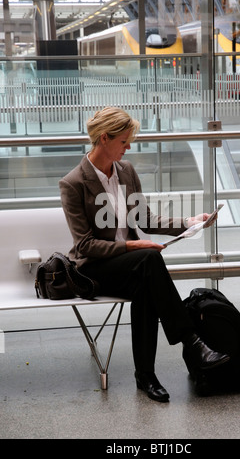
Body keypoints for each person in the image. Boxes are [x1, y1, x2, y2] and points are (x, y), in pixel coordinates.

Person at [59, 106, 229, 403]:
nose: (129, 147)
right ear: (103, 139)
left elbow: (146, 220)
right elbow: (85, 245)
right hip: (94, 270)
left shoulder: (127, 172)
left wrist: (189, 223)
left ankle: (146, 376)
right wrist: (132, 246)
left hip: (133, 267)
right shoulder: (73, 183)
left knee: (145, 285)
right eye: (123, 141)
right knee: (148, 260)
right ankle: (191, 342)